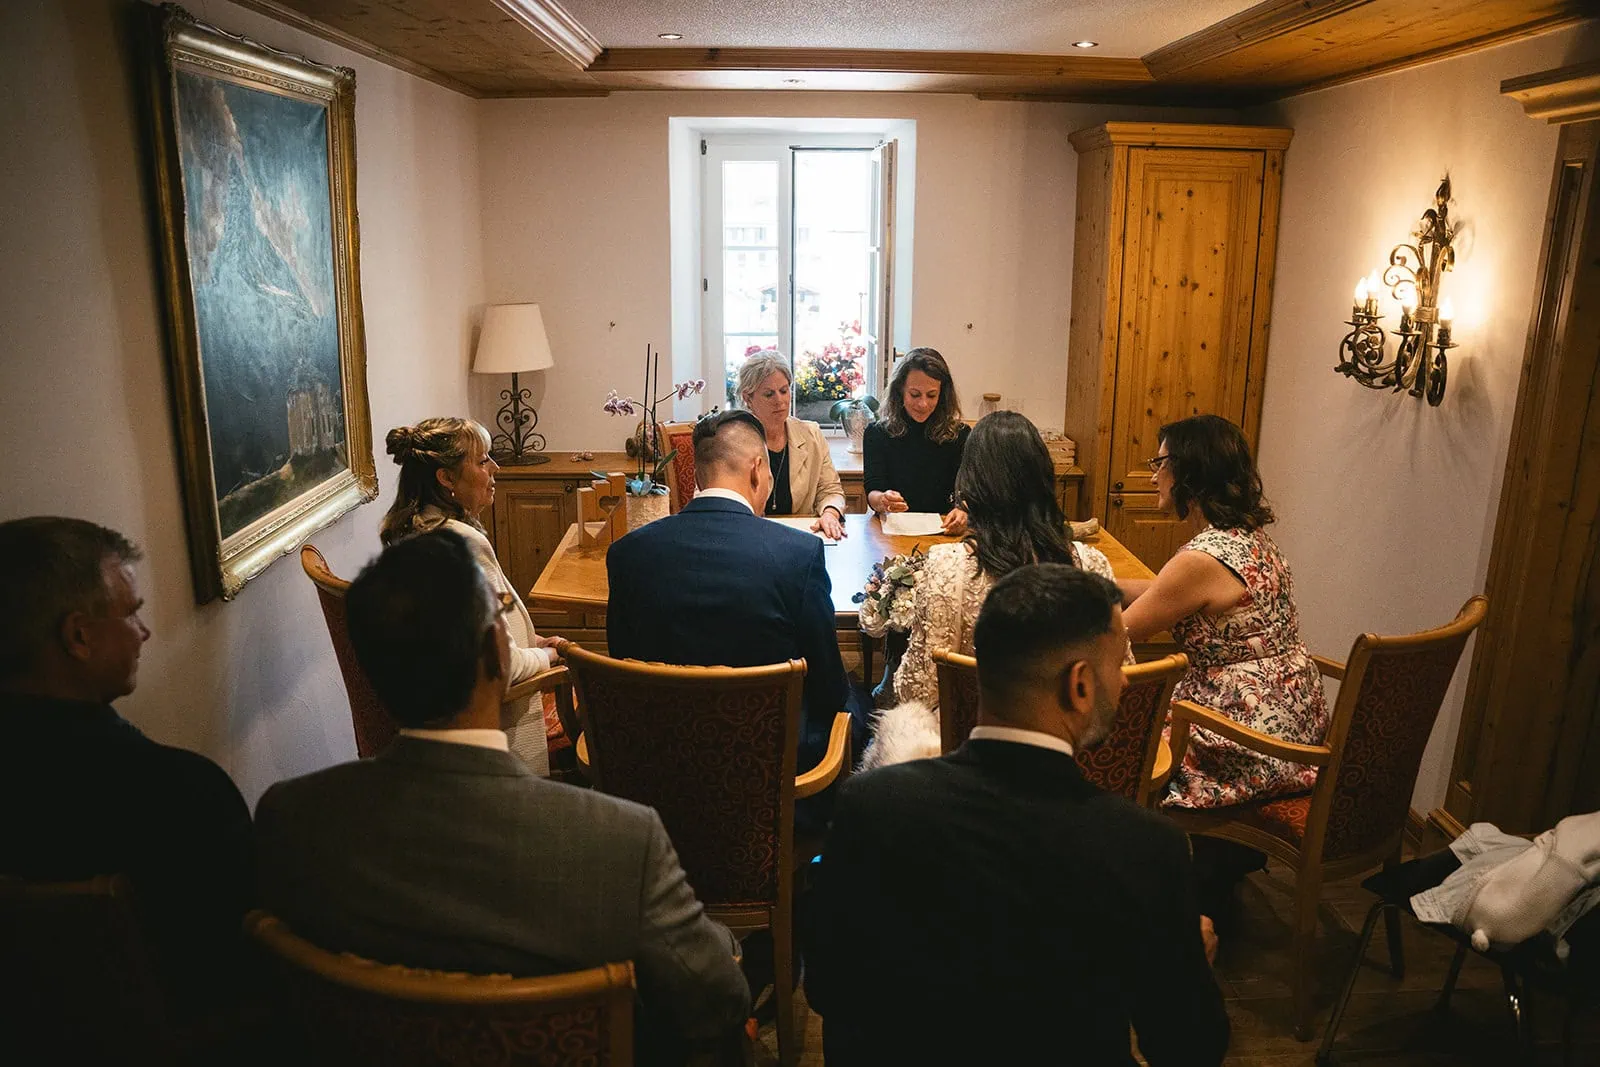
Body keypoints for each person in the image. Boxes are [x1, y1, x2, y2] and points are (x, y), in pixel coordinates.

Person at [255, 530, 749, 1063]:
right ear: (497, 651)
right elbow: (715, 1000)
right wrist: (731, 947)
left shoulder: (292, 819)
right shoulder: (623, 842)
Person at [804, 565, 1229, 1066]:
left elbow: (827, 990)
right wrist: (1185, 962)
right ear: (1080, 685)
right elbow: (1188, 1047)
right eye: (1118, 665)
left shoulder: (872, 803)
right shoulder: (1146, 846)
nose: (1125, 681)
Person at [0, 517, 254, 1015]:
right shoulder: (182, 796)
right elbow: (241, 976)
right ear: (79, 637)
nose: (145, 632)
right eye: (131, 615)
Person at [607, 410, 867, 770]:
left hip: (660, 756)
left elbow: (624, 662)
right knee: (859, 700)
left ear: (698, 474)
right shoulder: (799, 555)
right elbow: (828, 689)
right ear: (757, 470)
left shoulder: (627, 554)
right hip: (772, 762)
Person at [861, 411, 1121, 769]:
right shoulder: (1093, 566)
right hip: (1073, 761)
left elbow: (916, 691)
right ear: (1044, 478)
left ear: (971, 484)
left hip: (974, 764)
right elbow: (1119, 673)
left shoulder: (950, 567)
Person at [1120, 414, 1328, 811]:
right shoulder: (1250, 539)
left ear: (1189, 473)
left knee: (1122, 742)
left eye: (1160, 464)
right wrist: (1107, 586)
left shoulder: (1199, 560)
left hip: (1243, 740)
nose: (1152, 477)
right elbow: (1170, 595)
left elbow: (1122, 631)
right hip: (1295, 720)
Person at [380, 417, 566, 775]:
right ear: (446, 478)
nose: (495, 468)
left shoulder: (410, 532)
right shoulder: (463, 545)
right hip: (498, 736)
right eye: (482, 461)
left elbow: (489, 617)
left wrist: (534, 640)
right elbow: (504, 668)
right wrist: (551, 655)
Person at [736, 350, 848, 540]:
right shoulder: (731, 440)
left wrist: (830, 513)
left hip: (798, 537)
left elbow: (830, 490)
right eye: (769, 394)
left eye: (784, 390)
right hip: (748, 538)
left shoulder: (811, 434)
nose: (779, 401)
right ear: (748, 398)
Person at [863, 347, 970, 534]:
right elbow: (873, 490)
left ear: (942, 395)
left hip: (943, 530)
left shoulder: (959, 435)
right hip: (892, 531)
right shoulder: (877, 433)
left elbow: (967, 492)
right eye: (914, 394)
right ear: (900, 391)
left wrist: (962, 511)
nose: (923, 404)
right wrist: (883, 500)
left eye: (931, 395)